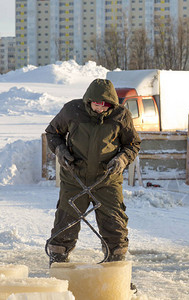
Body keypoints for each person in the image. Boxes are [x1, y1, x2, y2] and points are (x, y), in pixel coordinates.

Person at [45, 78, 141, 265]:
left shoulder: (121, 116)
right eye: (97, 104)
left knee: (115, 226)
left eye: (105, 105)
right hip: (75, 178)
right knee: (65, 225)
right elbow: (52, 133)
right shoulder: (72, 110)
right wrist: (61, 150)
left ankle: (115, 268)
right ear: (89, 100)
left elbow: (132, 144)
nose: (100, 109)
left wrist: (122, 159)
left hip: (107, 179)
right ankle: (58, 265)